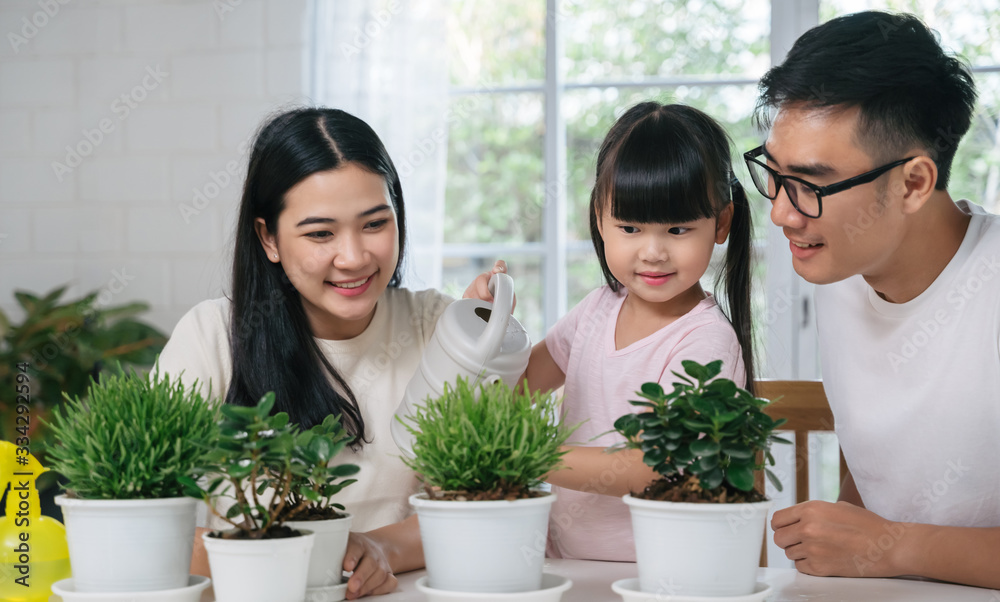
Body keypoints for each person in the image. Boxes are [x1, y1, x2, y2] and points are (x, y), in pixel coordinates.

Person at [156, 107, 504, 599]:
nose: (354, 256)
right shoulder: (212, 337)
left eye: (374, 224)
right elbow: (143, 525)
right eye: (321, 233)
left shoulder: (436, 328)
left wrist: (380, 549)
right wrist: (308, 557)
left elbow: (482, 507)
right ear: (268, 238)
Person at [749, 11, 1000, 589]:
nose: (782, 213)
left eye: (810, 184)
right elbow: (884, 470)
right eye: (774, 173)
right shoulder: (842, 268)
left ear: (913, 182)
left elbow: (884, 541)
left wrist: (890, 549)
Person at [520, 102, 757, 561]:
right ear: (599, 218)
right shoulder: (596, 310)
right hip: (567, 561)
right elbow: (519, 385)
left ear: (721, 223)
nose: (652, 252)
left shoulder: (706, 342)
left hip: (660, 573)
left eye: (678, 228)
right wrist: (487, 330)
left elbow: (653, 465)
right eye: (629, 227)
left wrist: (535, 456)